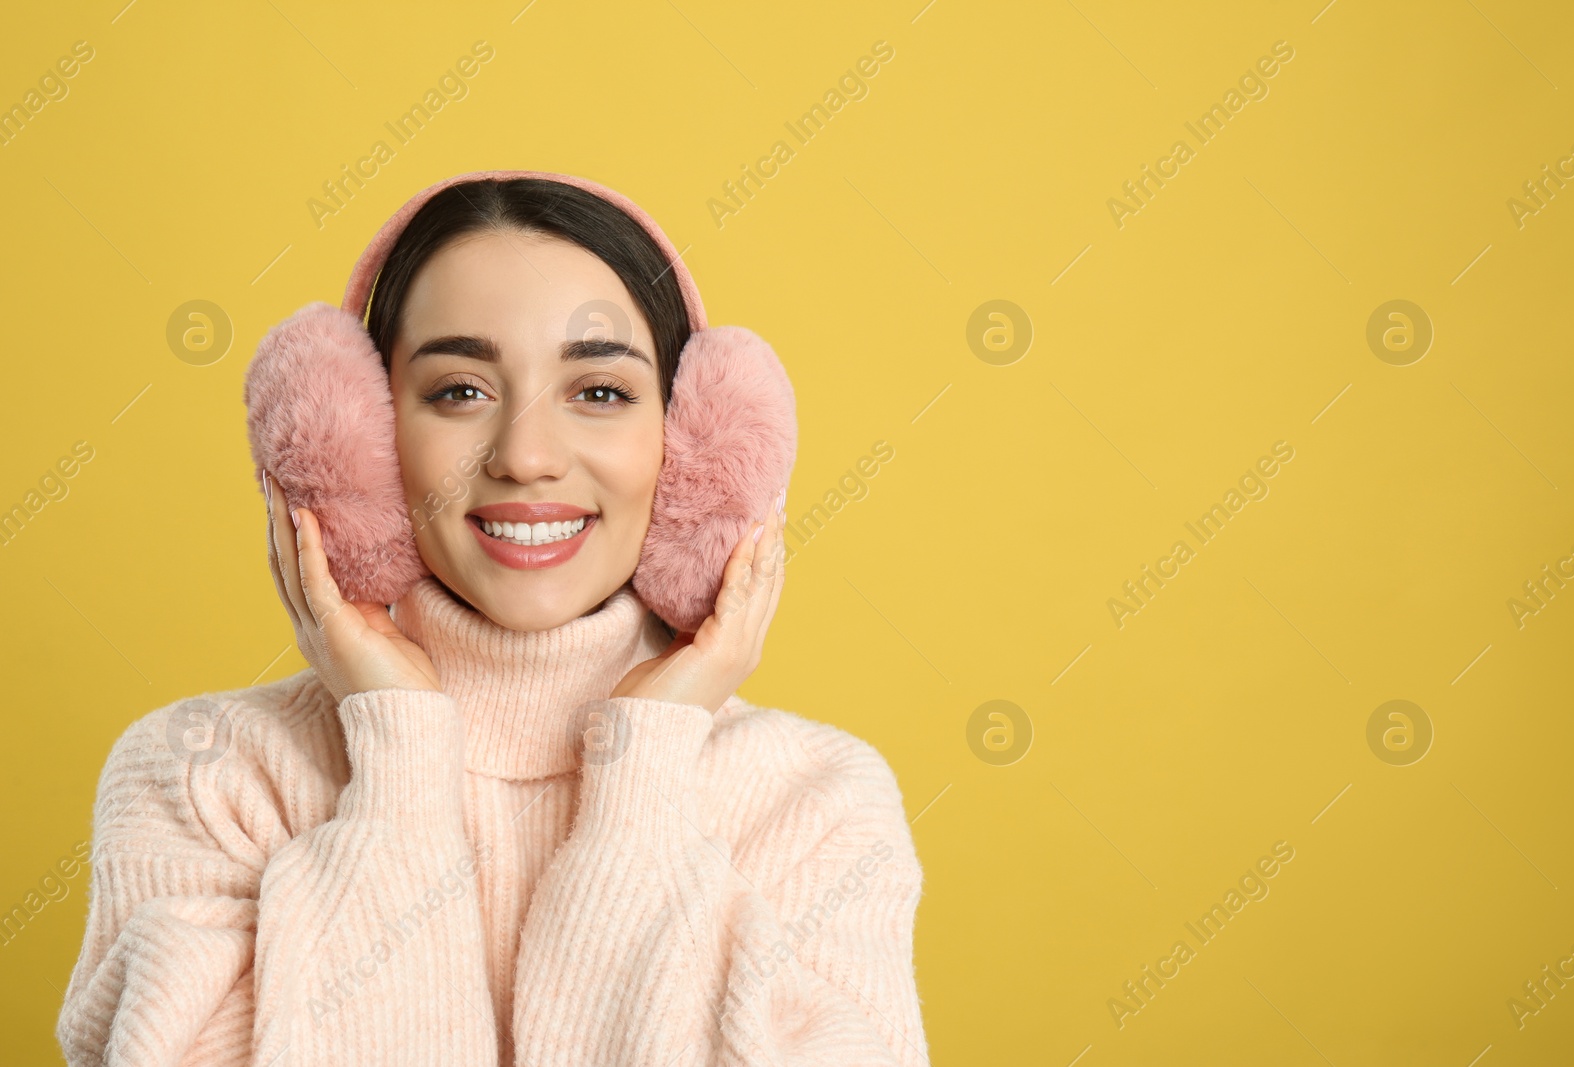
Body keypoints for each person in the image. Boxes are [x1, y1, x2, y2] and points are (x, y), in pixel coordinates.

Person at [56, 175, 930, 1065]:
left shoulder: (818, 803)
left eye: (599, 391)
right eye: (460, 391)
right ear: (356, 439)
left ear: (696, 443)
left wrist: (645, 775)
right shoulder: (204, 775)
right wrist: (398, 757)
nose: (525, 456)